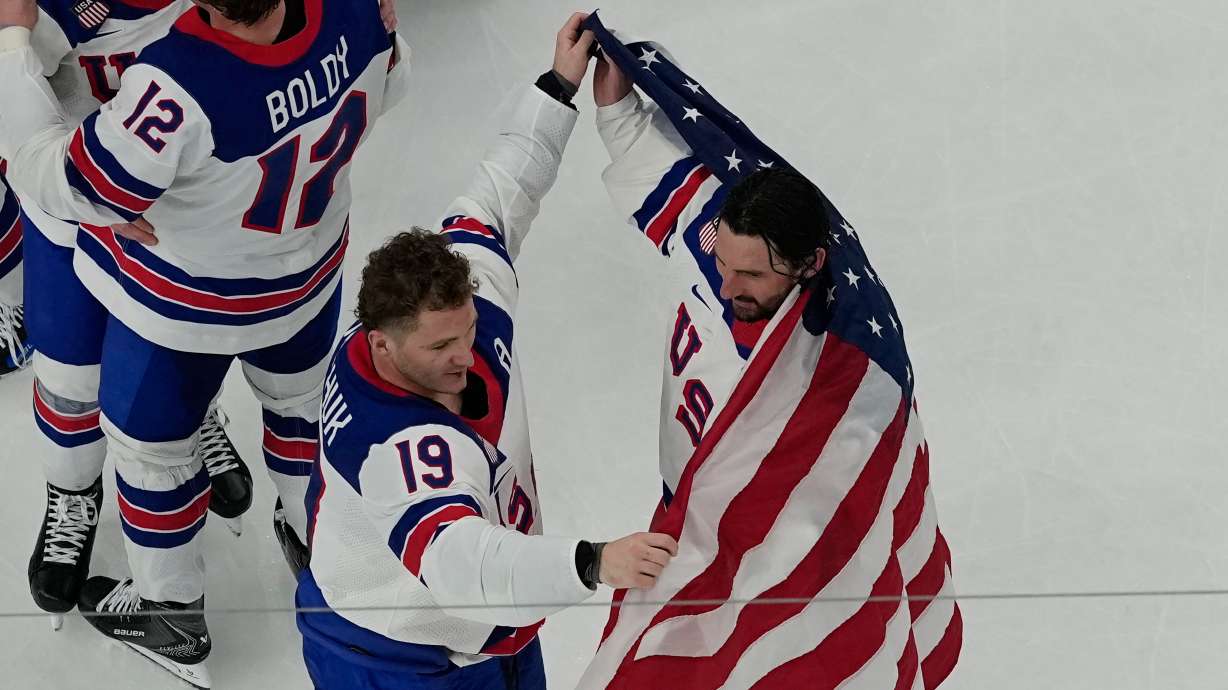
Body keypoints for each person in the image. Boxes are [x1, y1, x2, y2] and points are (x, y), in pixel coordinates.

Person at [0, 0, 408, 684]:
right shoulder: (358, 10)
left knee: (150, 448)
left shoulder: (179, 81)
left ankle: (170, 613)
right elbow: (389, 81)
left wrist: (11, 42)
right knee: (291, 408)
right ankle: (324, 553)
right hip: (299, 268)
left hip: (179, 288)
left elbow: (73, 179)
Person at [297, 14, 677, 690]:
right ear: (381, 344)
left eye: (467, 331)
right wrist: (592, 563)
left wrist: (557, 86)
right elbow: (460, 563)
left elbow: (499, 195)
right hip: (394, 656)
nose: (464, 355)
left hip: (492, 624)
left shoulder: (461, 295)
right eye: (441, 345)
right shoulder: (400, 446)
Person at [576, 21, 960, 688]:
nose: (727, 285)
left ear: (809, 265)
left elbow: (834, 530)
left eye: (750, 275)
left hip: (754, 547)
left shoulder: (837, 381)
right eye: (723, 262)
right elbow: (652, 167)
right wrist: (613, 102)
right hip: (684, 512)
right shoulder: (729, 247)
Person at [4, 0, 261, 635]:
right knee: (69, 382)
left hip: (176, 221)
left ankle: (198, 419)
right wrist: (91, 193)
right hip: (72, 215)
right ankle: (72, 494)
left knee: (178, 359)